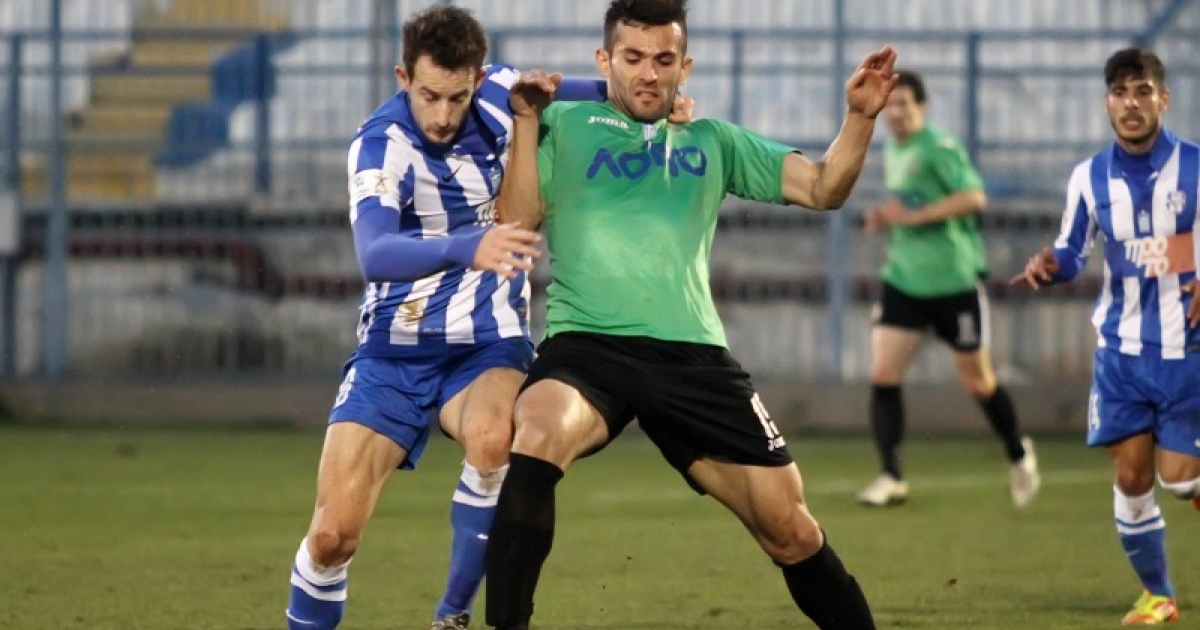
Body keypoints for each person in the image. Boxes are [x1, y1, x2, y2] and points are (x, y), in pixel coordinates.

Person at [481, 1, 896, 629]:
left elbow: (822, 187)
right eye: (633, 57)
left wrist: (860, 117)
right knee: (535, 434)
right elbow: (515, 221)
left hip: (693, 358)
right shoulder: (562, 123)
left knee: (792, 531)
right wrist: (525, 121)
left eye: (663, 59)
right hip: (587, 345)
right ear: (605, 61)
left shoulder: (713, 140)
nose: (649, 72)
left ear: (685, 67)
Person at [282, 7, 675, 630]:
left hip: (487, 343)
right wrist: (467, 245)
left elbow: (605, 91)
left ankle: (453, 615)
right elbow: (375, 254)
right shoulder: (380, 145)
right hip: (393, 350)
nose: (442, 114)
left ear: (478, 79)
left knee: (495, 440)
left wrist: (664, 106)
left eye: (456, 97)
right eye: (429, 96)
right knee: (332, 537)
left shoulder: (500, 94)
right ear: (403, 78)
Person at [1012, 47, 1200, 625]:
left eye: (1142, 91)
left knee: (1181, 480)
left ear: (1163, 99)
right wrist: (1051, 266)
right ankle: (1158, 595)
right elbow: (1072, 251)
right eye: (1120, 93)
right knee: (1131, 476)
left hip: (1188, 351)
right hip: (1121, 351)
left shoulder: (1195, 167)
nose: (1131, 104)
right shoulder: (1089, 178)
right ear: (1107, 103)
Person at [856, 70, 1041, 508]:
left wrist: (913, 218)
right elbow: (912, 202)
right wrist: (887, 218)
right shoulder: (894, 149)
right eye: (890, 105)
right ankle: (891, 475)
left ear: (922, 107)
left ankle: (1018, 452)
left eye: (904, 104)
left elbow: (974, 197)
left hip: (952, 281)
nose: (896, 113)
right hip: (904, 279)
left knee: (978, 381)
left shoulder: (939, 147)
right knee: (883, 373)